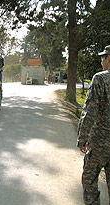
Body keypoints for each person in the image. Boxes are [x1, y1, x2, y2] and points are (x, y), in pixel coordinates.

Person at [77, 45, 110, 204]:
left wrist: (82, 139)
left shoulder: (100, 78)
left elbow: (90, 112)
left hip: (99, 144)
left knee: (89, 181)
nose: (101, 61)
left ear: (109, 58)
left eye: (103, 57)